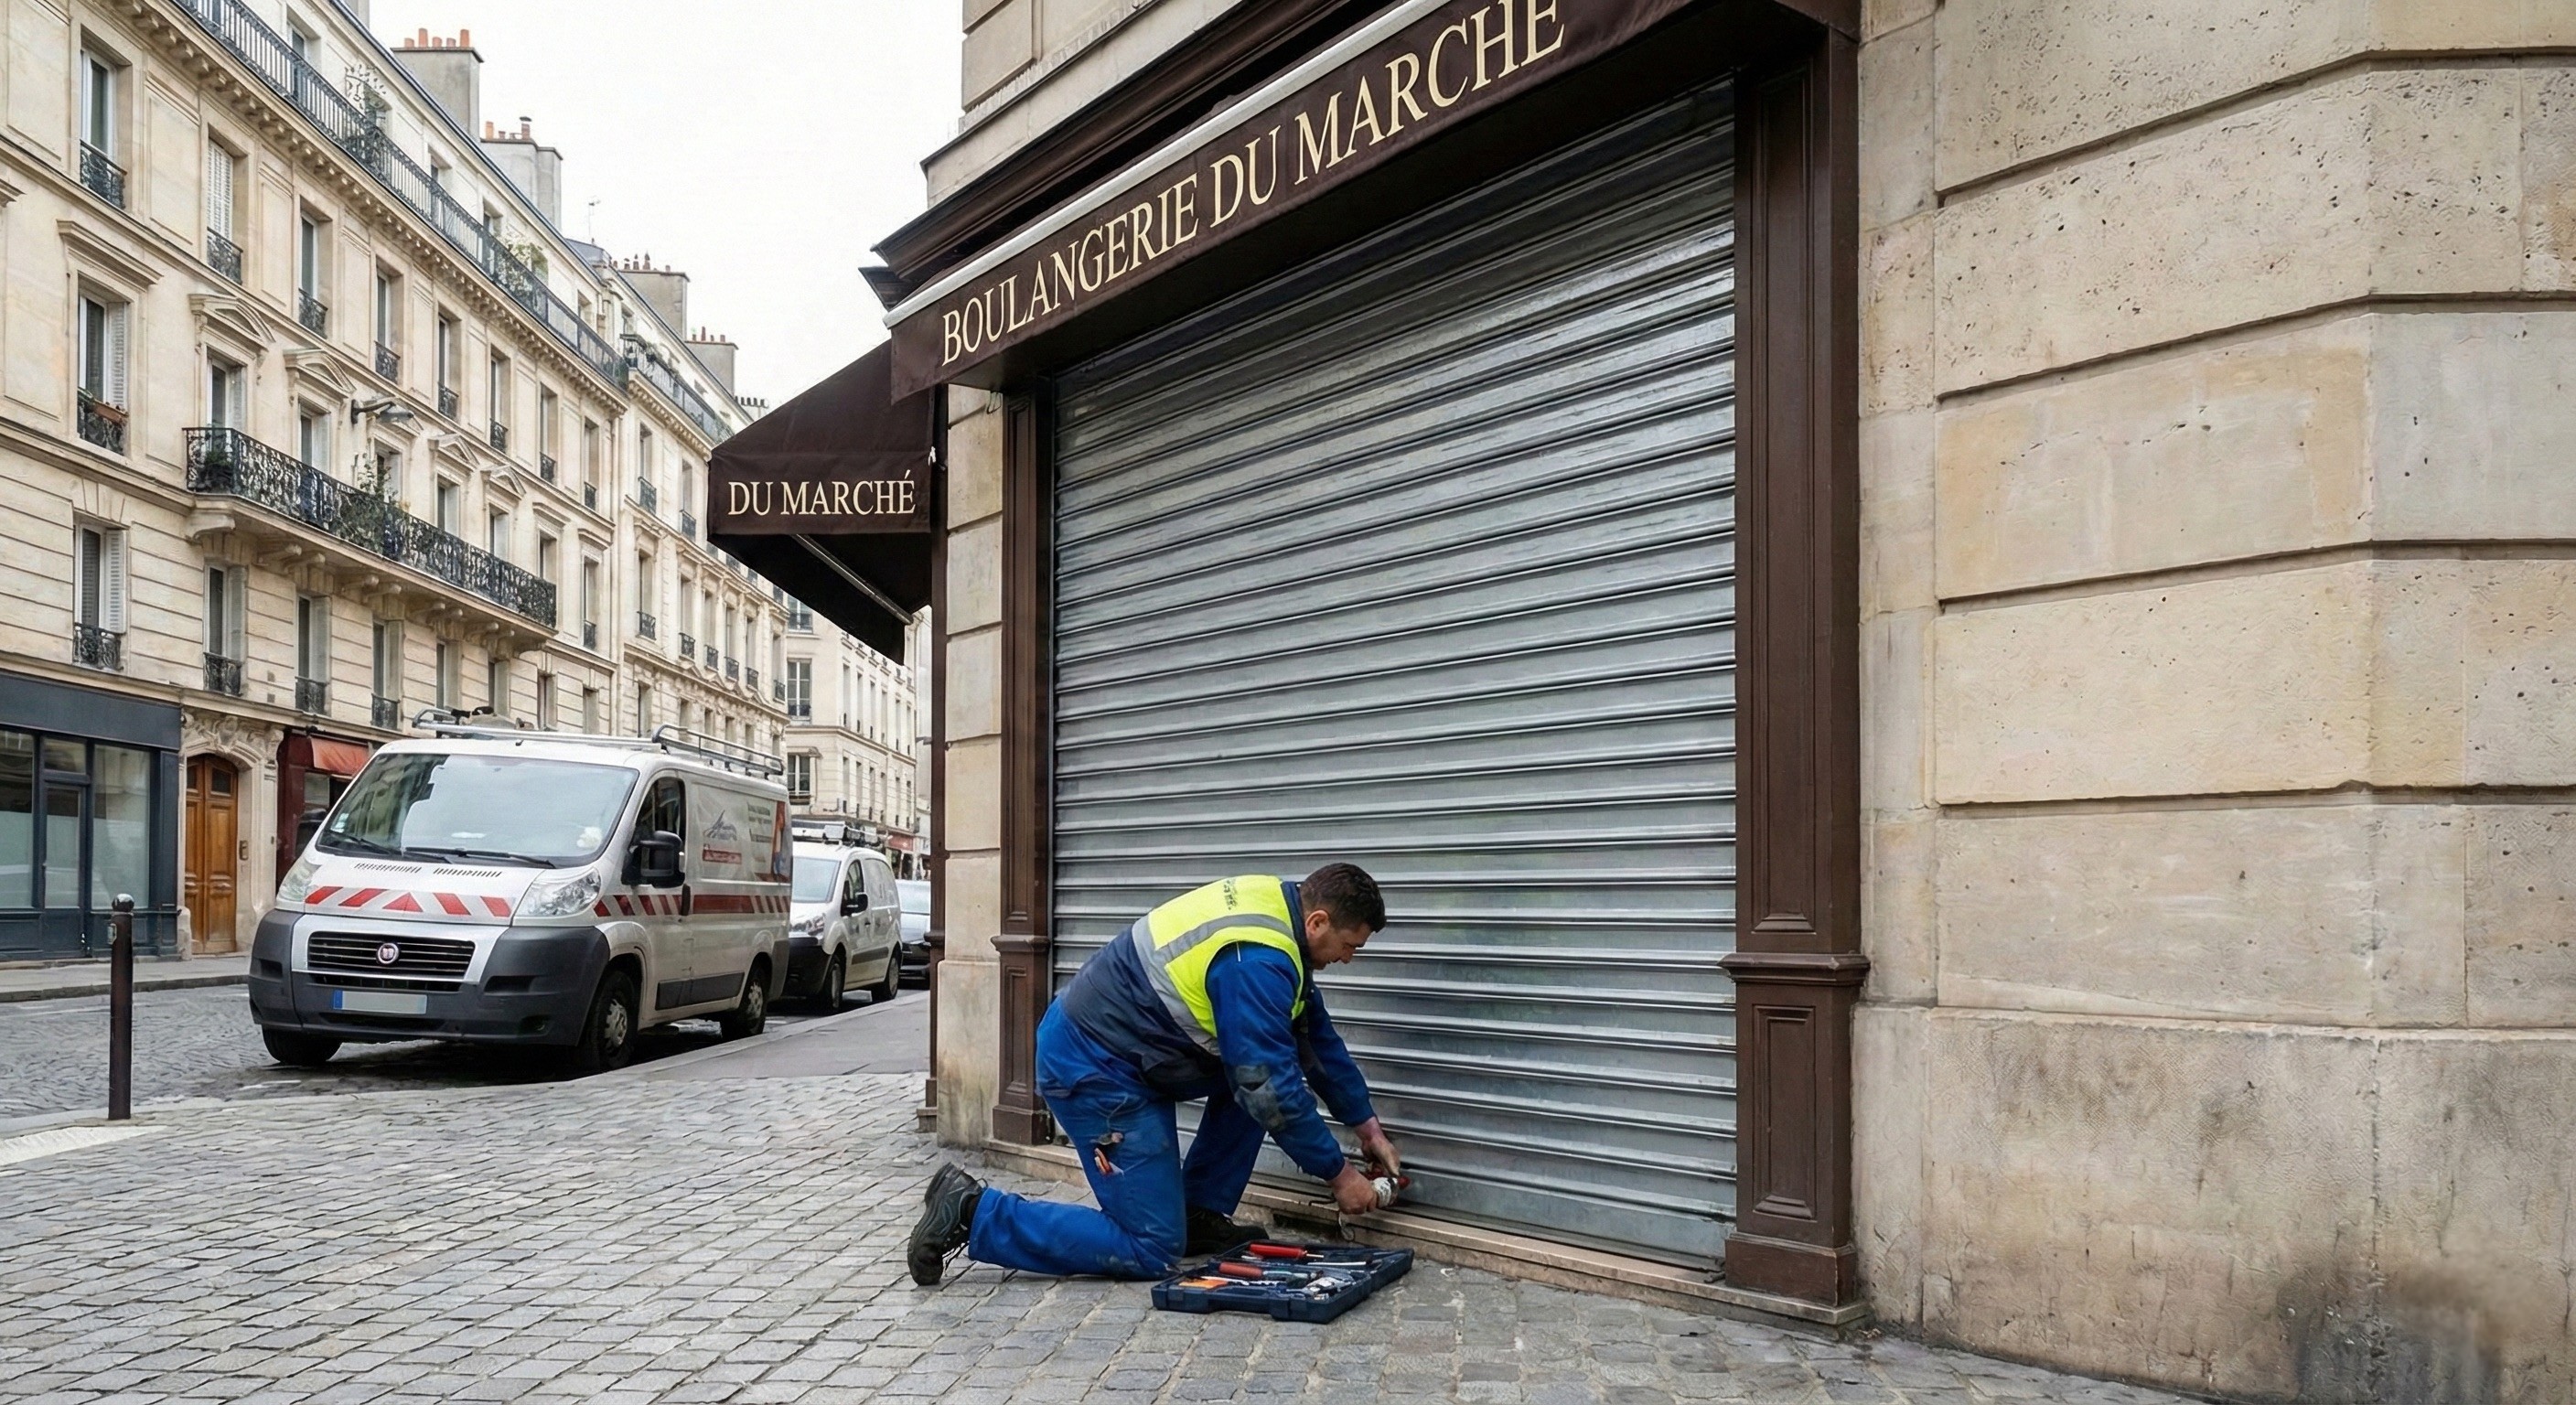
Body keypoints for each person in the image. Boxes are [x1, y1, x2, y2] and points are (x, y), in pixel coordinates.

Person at [907, 864, 1401, 1285]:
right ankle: (973, 1211)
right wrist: (1339, 1176)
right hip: (1095, 1068)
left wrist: (1367, 1127)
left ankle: (1195, 1214)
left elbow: (1313, 1039)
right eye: (1348, 945)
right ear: (1318, 921)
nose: (1348, 958)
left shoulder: (1278, 914)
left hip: (1134, 1051)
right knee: (1151, 1247)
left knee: (1257, 1073)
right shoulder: (1256, 960)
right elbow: (1266, 1084)